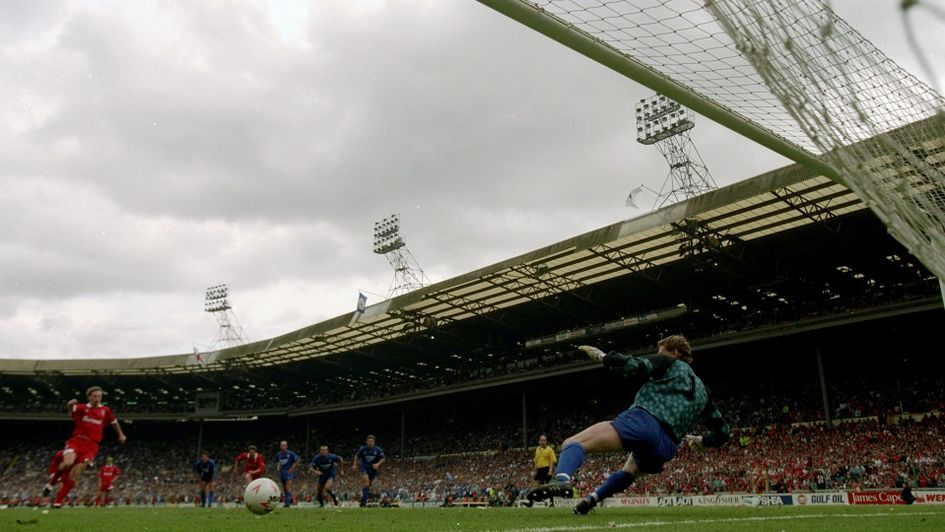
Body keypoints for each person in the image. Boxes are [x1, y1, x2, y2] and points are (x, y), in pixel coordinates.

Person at [523, 335, 730, 515]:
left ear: (674, 353)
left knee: (573, 442)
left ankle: (562, 478)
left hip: (644, 422)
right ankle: (592, 499)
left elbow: (636, 365)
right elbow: (723, 432)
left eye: (661, 352)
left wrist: (605, 358)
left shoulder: (670, 363)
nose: (659, 355)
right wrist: (704, 440)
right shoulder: (704, 392)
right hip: (666, 447)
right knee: (630, 471)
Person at [47, 386, 127, 508]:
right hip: (77, 441)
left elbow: (114, 422)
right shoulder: (82, 407)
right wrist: (69, 405)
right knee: (68, 463)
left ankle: (58, 501)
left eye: (99, 396)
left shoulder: (105, 410)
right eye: (95, 396)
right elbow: (71, 412)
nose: (97, 398)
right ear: (89, 397)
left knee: (75, 474)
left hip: (92, 446)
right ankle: (51, 483)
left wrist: (121, 434)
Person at [353, 435, 385, 507]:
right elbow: (356, 456)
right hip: (364, 467)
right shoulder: (363, 449)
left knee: (368, 486)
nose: (370, 443)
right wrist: (354, 464)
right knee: (366, 484)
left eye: (372, 441)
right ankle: (364, 503)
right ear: (367, 442)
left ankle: (362, 500)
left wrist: (378, 464)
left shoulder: (378, 449)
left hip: (373, 469)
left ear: (374, 442)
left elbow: (383, 458)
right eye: (369, 441)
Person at [532, 435, 557, 507]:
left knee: (549, 487)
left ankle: (551, 503)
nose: (543, 442)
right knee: (536, 485)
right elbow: (536, 461)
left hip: (546, 469)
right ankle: (542, 500)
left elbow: (552, 461)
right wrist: (535, 470)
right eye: (541, 440)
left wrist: (550, 470)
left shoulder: (549, 449)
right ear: (539, 441)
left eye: (544, 440)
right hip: (539, 470)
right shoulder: (537, 449)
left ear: (546, 441)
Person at [276, 440, 301, 507]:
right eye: (281, 445)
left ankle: (287, 504)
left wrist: (292, 468)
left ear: (286, 446)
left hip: (288, 472)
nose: (283, 447)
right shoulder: (278, 454)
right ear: (280, 446)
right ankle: (289, 500)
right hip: (282, 472)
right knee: (284, 489)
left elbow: (298, 459)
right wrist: (278, 468)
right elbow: (278, 461)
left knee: (288, 488)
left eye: (284, 445)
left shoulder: (290, 453)